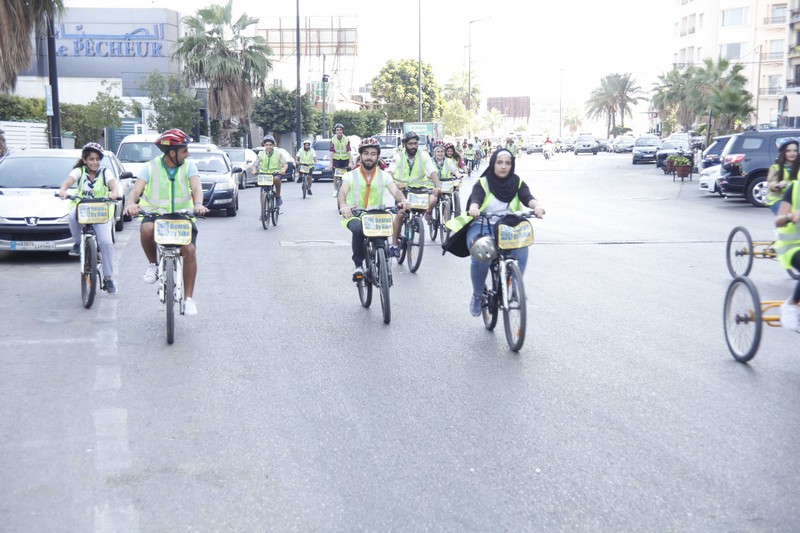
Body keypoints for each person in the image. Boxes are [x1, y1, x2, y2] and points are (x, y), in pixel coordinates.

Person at [125, 129, 209, 316]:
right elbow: (136, 191)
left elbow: (196, 187)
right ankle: (153, 264)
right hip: (155, 215)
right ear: (173, 152)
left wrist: (198, 204)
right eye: (184, 150)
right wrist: (131, 203)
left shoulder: (189, 166)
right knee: (146, 229)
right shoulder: (150, 167)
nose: (188, 153)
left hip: (182, 216)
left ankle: (188, 299)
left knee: (190, 251)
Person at [464, 149, 545, 317]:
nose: (503, 167)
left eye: (508, 163)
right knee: (482, 252)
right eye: (499, 163)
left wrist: (537, 206)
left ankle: (516, 289)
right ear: (493, 163)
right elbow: (476, 199)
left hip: (508, 227)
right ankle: (478, 295)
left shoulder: (517, 182)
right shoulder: (483, 183)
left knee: (522, 244)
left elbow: (527, 197)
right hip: (483, 226)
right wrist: (474, 208)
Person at [338, 137, 410, 279]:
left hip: (378, 215)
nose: (369, 157)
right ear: (360, 156)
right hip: (356, 215)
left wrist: (404, 200)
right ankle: (358, 265)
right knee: (358, 229)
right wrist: (344, 205)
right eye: (366, 153)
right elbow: (342, 192)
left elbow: (395, 191)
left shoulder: (384, 176)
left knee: (380, 242)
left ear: (377, 157)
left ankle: (381, 266)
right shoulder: (350, 175)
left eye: (372, 154)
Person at [58, 142, 120, 294]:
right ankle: (78, 243)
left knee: (106, 243)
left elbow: (114, 186)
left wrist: (113, 193)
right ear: (85, 160)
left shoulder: (105, 172)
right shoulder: (79, 171)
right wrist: (63, 190)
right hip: (83, 208)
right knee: (72, 215)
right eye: (91, 159)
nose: (95, 162)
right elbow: (68, 181)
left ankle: (108, 277)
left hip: (101, 212)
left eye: (98, 159)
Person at [387, 131, 441, 256]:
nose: (413, 146)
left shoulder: (424, 155)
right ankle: (394, 245)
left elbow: (432, 172)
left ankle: (416, 222)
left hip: (419, 190)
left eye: (415, 143)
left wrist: (437, 186)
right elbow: (390, 172)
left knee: (430, 201)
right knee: (401, 214)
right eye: (410, 144)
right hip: (403, 192)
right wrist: (395, 184)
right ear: (405, 144)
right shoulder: (398, 156)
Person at [767, 139, 799, 214]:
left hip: (795, 199)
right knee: (788, 218)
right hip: (779, 200)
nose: (792, 153)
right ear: (783, 152)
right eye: (788, 151)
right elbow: (771, 184)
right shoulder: (776, 168)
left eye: (795, 151)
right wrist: (777, 185)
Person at [257, 134, 288, 206]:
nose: (268, 147)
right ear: (264, 145)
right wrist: (254, 170)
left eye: (270, 145)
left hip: (276, 173)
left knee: (277, 179)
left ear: (273, 145)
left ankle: (278, 196)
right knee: (262, 193)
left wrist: (283, 170)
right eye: (266, 145)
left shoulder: (278, 153)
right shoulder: (260, 154)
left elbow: (285, 164)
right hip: (264, 175)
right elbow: (255, 164)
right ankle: (264, 212)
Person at [330, 123, 354, 197]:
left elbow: (349, 151)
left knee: (347, 175)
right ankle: (335, 190)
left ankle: (348, 190)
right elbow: (332, 151)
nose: (339, 131)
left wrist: (350, 162)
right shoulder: (332, 140)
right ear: (335, 131)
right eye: (337, 130)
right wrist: (331, 163)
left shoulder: (346, 139)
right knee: (335, 175)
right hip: (336, 159)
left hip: (345, 159)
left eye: (340, 130)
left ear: (342, 131)